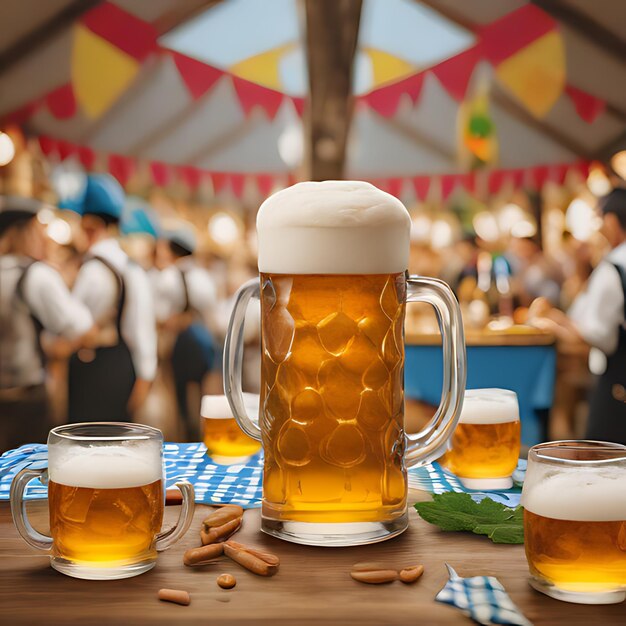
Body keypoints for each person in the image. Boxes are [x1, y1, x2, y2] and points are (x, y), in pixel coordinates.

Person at [531, 188, 626, 443]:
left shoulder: (614, 266)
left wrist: (558, 322)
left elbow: (601, 336)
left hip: (617, 384)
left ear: (611, 221)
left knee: (606, 453)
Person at [0, 196, 94, 451]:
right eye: (40, 230)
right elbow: (75, 324)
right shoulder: (36, 274)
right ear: (26, 232)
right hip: (25, 395)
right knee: (27, 475)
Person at [68, 175, 157, 422]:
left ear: (90, 225)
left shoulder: (92, 270)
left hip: (95, 372)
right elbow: (142, 329)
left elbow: (74, 326)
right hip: (124, 368)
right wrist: (145, 377)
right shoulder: (131, 267)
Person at [153, 226, 218, 440]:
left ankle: (184, 432)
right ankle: (201, 432)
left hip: (178, 341)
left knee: (179, 391)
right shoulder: (203, 276)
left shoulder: (168, 276)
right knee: (201, 391)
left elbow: (159, 314)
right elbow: (211, 311)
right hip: (201, 340)